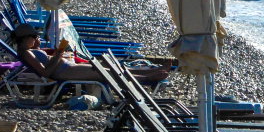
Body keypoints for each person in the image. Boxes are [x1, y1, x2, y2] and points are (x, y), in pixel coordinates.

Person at [11, 23, 171, 83]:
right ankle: (147, 79)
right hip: (63, 72)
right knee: (102, 73)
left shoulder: (31, 50)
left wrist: (43, 46)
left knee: (108, 69)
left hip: (66, 67)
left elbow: (46, 60)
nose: (37, 38)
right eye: (34, 36)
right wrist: (59, 54)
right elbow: (45, 72)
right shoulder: (26, 54)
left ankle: (151, 71)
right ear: (26, 38)